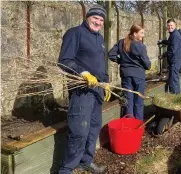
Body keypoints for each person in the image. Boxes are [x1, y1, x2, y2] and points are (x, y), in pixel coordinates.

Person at [57, 5, 111, 174]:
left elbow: (101, 64)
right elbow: (64, 60)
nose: (98, 22)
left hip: (97, 91)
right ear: (88, 17)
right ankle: (66, 169)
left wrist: (106, 82)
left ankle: (85, 162)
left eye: (102, 20)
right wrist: (84, 73)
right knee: (79, 132)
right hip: (82, 91)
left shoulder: (99, 39)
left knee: (93, 128)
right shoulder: (75, 33)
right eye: (96, 18)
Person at [108, 24, 151, 120]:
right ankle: (138, 126)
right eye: (141, 33)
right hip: (138, 76)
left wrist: (120, 60)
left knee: (128, 101)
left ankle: (129, 125)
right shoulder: (140, 46)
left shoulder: (121, 43)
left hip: (126, 75)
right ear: (135, 33)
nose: (143, 35)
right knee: (139, 102)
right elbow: (147, 65)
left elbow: (111, 54)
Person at [159, 19, 181, 94]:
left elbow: (172, 50)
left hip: (175, 61)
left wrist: (163, 55)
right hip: (175, 61)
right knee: (175, 79)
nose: (170, 27)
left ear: (175, 25)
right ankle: (178, 98)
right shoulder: (173, 34)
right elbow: (170, 43)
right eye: (168, 26)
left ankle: (175, 99)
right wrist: (163, 41)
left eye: (171, 25)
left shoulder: (175, 35)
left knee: (173, 81)